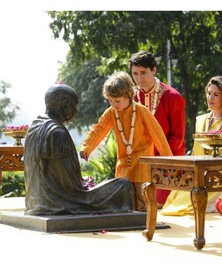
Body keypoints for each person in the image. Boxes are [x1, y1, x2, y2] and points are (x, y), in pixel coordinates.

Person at [24, 83, 135, 215]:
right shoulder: (56, 132)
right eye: (73, 106)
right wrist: (85, 183)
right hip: (61, 202)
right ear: (65, 105)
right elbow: (70, 186)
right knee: (124, 185)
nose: (75, 111)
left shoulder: (34, 126)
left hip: (35, 202)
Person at [79, 71, 173, 211]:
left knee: (142, 199)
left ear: (129, 95)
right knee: (124, 199)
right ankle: (128, 222)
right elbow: (98, 130)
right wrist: (86, 148)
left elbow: (158, 136)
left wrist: (169, 162)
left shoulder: (141, 111)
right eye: (110, 101)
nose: (113, 104)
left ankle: (144, 223)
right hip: (123, 165)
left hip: (142, 164)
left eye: (117, 101)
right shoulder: (111, 112)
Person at [160, 76, 222, 216]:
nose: (210, 97)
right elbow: (196, 153)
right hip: (198, 176)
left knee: (189, 206)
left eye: (216, 94)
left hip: (220, 179)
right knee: (173, 202)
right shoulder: (201, 120)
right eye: (209, 93)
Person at [129, 50, 186, 207]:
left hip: (167, 165)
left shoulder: (173, 97)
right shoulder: (129, 98)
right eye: (135, 74)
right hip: (137, 164)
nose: (139, 79)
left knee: (152, 202)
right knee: (128, 202)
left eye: (143, 73)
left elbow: (178, 138)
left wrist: (159, 163)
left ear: (154, 70)